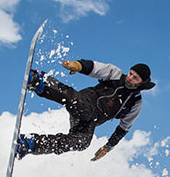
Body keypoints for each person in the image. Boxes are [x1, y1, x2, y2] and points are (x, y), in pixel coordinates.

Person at [16, 59, 155, 161]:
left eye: (134, 78)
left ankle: (30, 144)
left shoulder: (135, 103)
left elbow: (123, 128)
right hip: (87, 100)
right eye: (130, 73)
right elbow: (96, 68)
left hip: (91, 121)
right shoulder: (116, 74)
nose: (129, 78)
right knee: (83, 108)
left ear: (141, 83)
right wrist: (78, 66)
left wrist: (108, 147)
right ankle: (41, 82)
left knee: (82, 143)